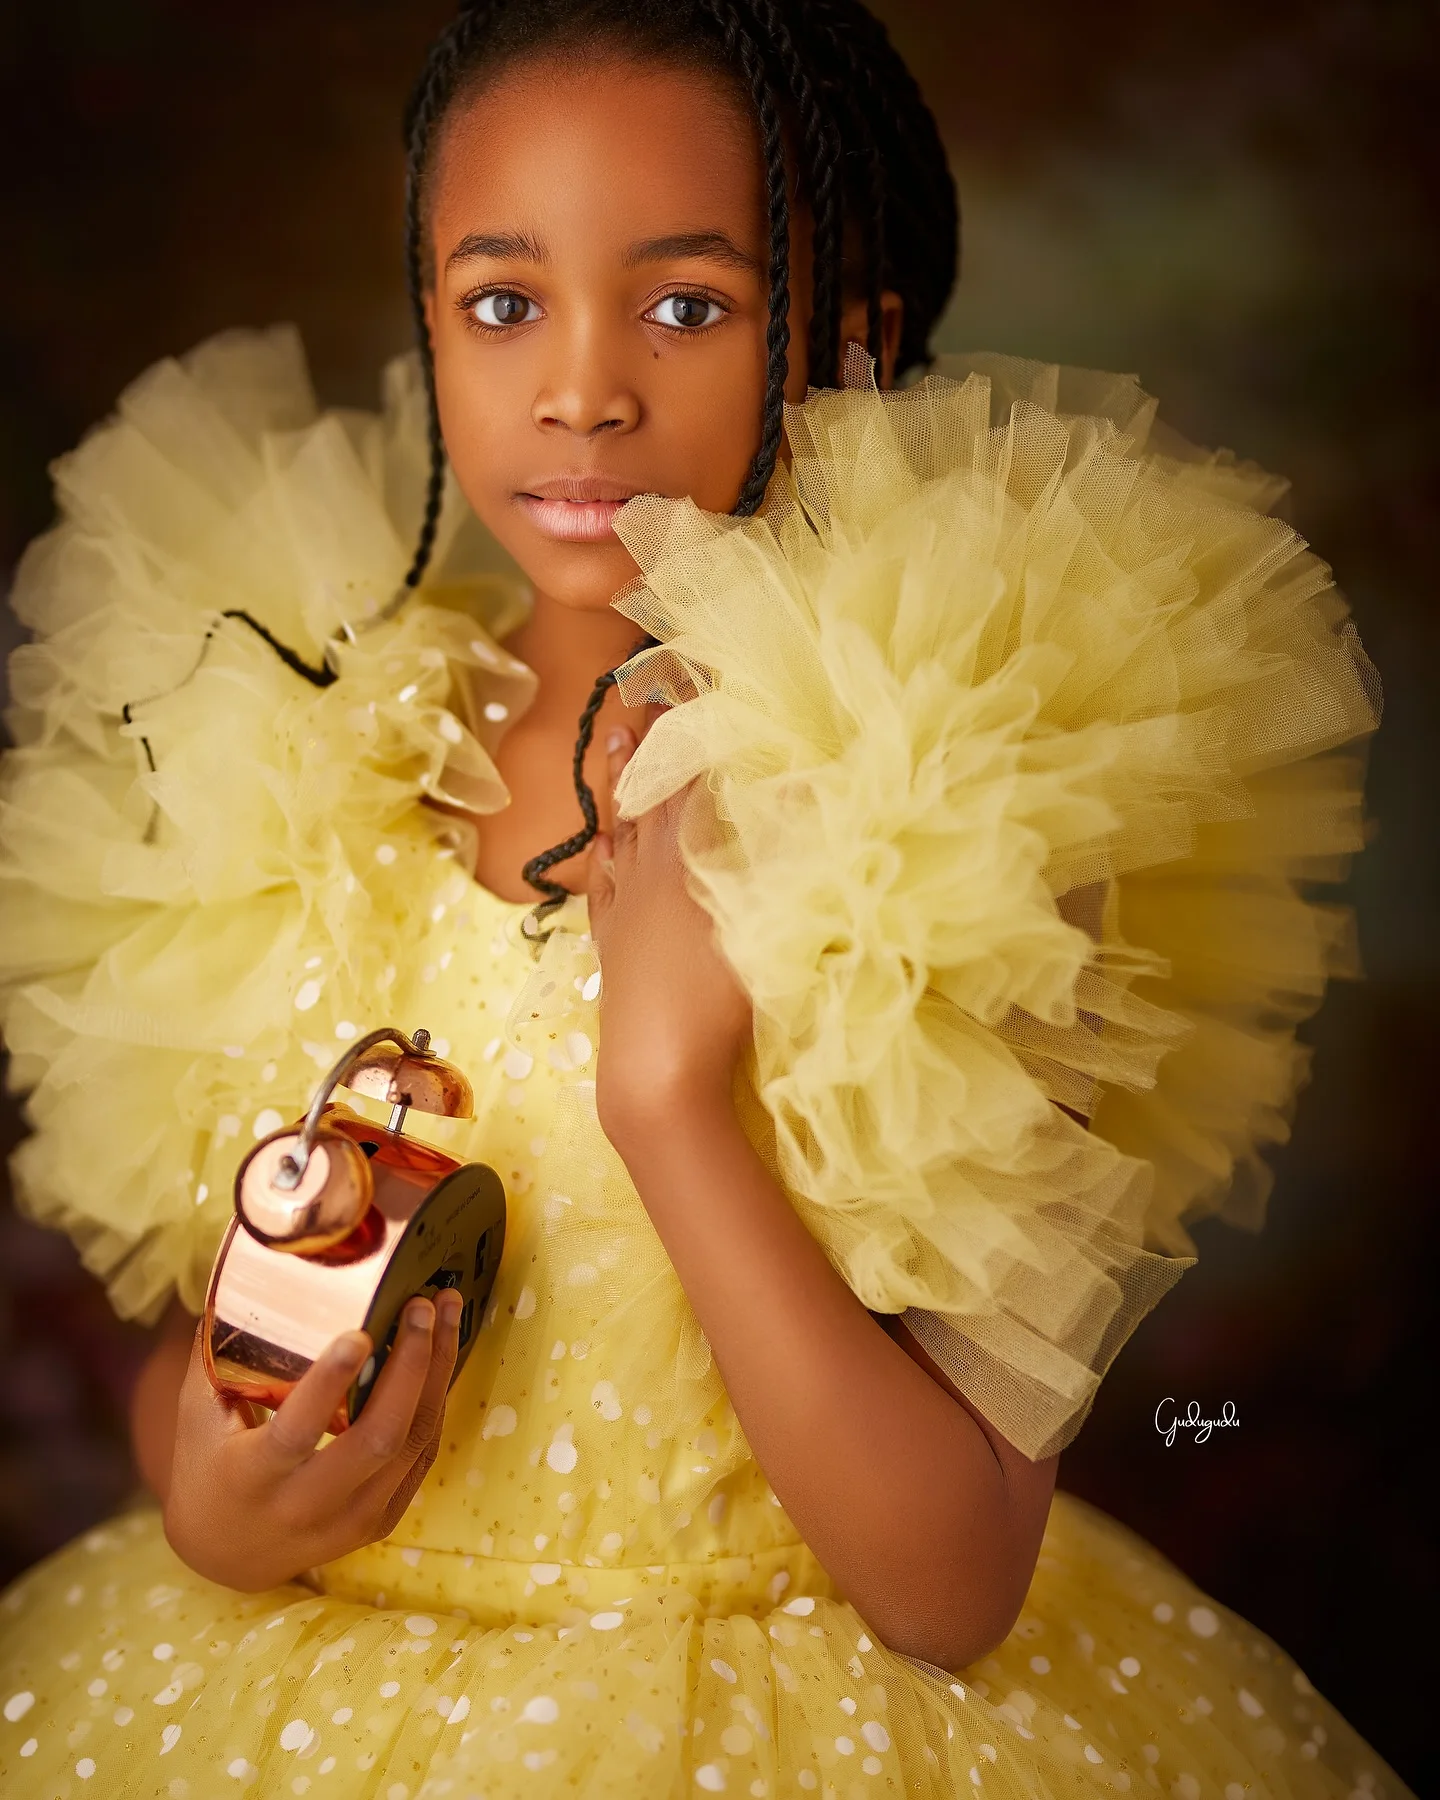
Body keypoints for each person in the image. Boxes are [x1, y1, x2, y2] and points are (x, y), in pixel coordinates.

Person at [0, 1, 1412, 1795]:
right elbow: (198, 1335)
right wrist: (211, 1491)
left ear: (845, 336)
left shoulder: (955, 811)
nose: (582, 387)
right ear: (429, 322)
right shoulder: (315, 743)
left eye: (687, 303)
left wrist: (670, 1099)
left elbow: (952, 1577)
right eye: (503, 303)